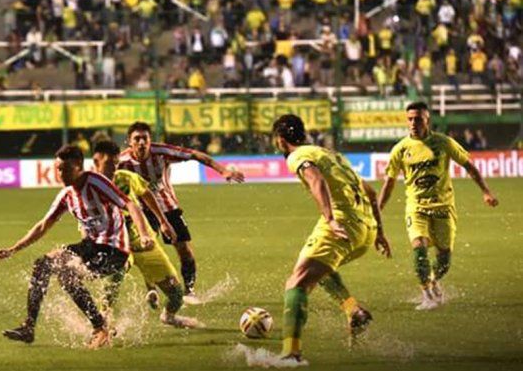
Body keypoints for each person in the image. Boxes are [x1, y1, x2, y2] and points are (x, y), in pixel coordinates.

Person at [0, 145, 154, 348]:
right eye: (58, 169)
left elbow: (129, 204)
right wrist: (14, 248)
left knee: (66, 274)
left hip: (114, 250)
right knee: (42, 264)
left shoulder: (95, 182)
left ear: (79, 165)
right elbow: (43, 225)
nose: (61, 174)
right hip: (91, 247)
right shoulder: (67, 194)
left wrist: (144, 235)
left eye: (65, 169)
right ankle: (29, 327)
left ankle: (100, 327)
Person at [272, 114, 391, 365]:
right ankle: (354, 311)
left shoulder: (297, 156)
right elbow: (370, 193)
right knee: (318, 268)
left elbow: (316, 180)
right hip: (365, 228)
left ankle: (291, 354)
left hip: (341, 223)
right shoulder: (331, 154)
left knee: (296, 283)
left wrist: (330, 218)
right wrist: (379, 232)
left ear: (281, 140)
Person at [378, 102, 499, 311]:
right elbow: (389, 183)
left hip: (443, 207)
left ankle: (433, 281)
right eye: (410, 119)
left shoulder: (443, 143)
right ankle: (427, 296)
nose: (413, 123)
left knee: (444, 261)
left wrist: (486, 191)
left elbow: (469, 166)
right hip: (416, 207)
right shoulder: (400, 149)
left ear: (427, 120)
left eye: (418, 119)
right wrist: (377, 209)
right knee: (419, 249)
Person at [117, 122, 245, 304]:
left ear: (150, 140)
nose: (141, 142)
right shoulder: (121, 162)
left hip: (168, 207)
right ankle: (151, 289)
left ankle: (189, 291)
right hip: (142, 211)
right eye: (136, 139)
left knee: (185, 251)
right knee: (147, 248)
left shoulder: (161, 152)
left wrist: (223, 170)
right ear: (129, 142)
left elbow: (194, 155)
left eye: (145, 138)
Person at [92, 140, 199, 328]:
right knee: (114, 278)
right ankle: (104, 322)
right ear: (96, 162)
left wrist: (164, 223)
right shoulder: (88, 187)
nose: (112, 169)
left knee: (176, 294)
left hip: (143, 241)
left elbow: (147, 193)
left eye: (115, 164)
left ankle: (169, 316)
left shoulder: (126, 177)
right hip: (117, 245)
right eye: (108, 164)